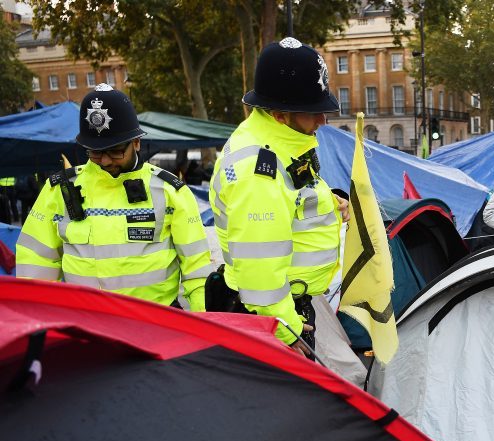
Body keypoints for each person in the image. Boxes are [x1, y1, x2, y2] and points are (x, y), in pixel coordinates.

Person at [206, 37, 349, 356]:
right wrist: (288, 333)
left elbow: (290, 199)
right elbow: (259, 268)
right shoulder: (257, 171)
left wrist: (330, 203)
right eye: (313, 111)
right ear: (280, 113)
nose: (322, 120)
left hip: (277, 311)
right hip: (274, 321)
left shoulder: (276, 143)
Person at [16, 84, 212, 310]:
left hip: (156, 329)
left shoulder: (170, 192)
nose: (106, 161)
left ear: (136, 142)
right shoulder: (58, 191)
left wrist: (206, 323)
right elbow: (35, 264)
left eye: (116, 150)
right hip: (88, 330)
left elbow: (196, 271)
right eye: (96, 152)